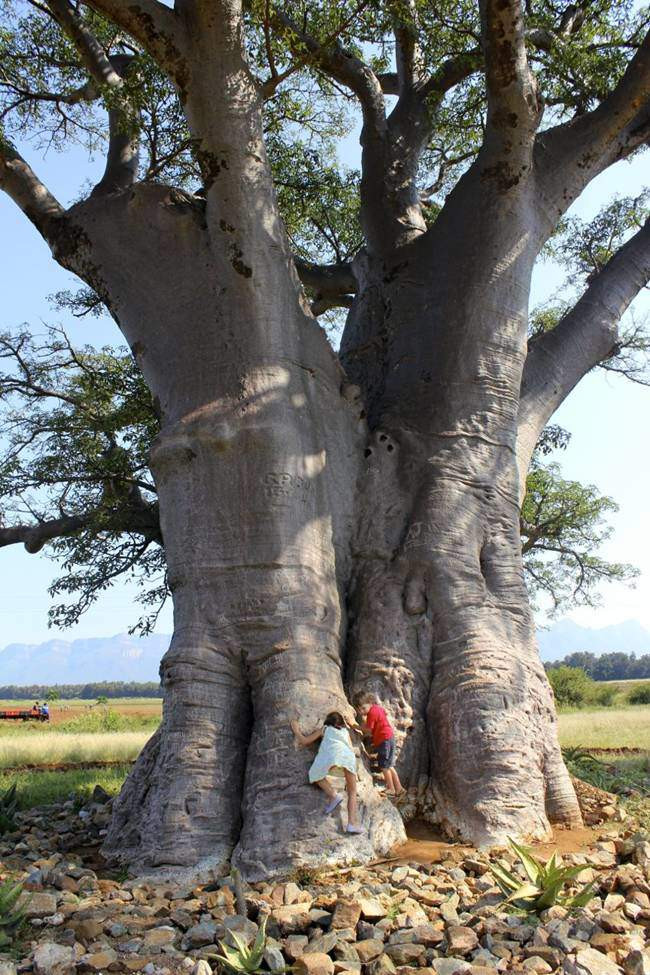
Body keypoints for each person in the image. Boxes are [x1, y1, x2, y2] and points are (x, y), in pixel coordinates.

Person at [291, 712, 364, 834]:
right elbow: (351, 749)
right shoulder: (345, 732)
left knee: (314, 774)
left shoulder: (325, 729)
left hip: (333, 755)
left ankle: (334, 795)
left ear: (328, 722)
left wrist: (296, 729)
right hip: (348, 757)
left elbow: (305, 741)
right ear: (341, 723)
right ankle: (352, 824)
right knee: (352, 792)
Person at [357, 693, 405, 797]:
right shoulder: (377, 708)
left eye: (363, 708)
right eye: (359, 710)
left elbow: (368, 730)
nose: (362, 712)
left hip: (383, 739)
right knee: (389, 765)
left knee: (383, 765)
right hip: (389, 737)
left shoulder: (371, 713)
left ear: (370, 703)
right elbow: (384, 713)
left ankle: (391, 789)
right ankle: (399, 788)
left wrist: (356, 726)